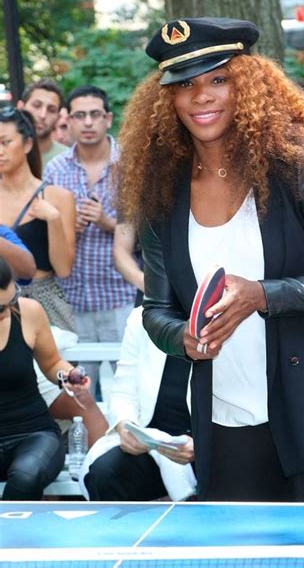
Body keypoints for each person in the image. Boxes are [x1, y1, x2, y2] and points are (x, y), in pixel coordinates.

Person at [115, 17, 304, 503]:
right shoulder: (161, 192)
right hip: (226, 421)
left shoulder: (301, 165)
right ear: (168, 100)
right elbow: (155, 310)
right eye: (184, 85)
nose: (201, 96)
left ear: (246, 85)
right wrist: (181, 339)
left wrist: (261, 295)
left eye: (218, 79)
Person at [43, 86, 136, 395]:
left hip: (119, 296)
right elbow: (42, 232)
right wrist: (69, 226)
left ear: (108, 118)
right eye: (79, 115)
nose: (87, 123)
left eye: (95, 114)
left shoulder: (130, 164)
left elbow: (151, 235)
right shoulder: (55, 169)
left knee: (128, 385)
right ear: (67, 120)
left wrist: (107, 223)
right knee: (76, 391)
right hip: (71, 300)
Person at [81, 307, 195, 501]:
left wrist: (202, 444)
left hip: (213, 444)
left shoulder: (225, 318)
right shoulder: (141, 317)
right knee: (104, 473)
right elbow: (123, 392)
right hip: (152, 443)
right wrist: (125, 427)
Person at [0, 257, 89, 500]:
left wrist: (67, 376)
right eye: (0, 308)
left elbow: (51, 363)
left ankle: (8, 535)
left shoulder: (28, 311)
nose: (8, 311)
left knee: (27, 474)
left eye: (12, 299)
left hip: (34, 433)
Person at [0, 107, 76, 332]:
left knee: (55, 365)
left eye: (6, 142)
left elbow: (63, 269)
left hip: (44, 300)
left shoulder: (57, 196)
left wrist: (52, 218)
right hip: (2, 302)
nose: (0, 150)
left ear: (27, 144)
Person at [18, 79, 67, 166]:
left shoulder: (68, 160)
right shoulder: (5, 154)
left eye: (51, 110)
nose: (43, 115)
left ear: (58, 117)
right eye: (36, 105)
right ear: (21, 107)